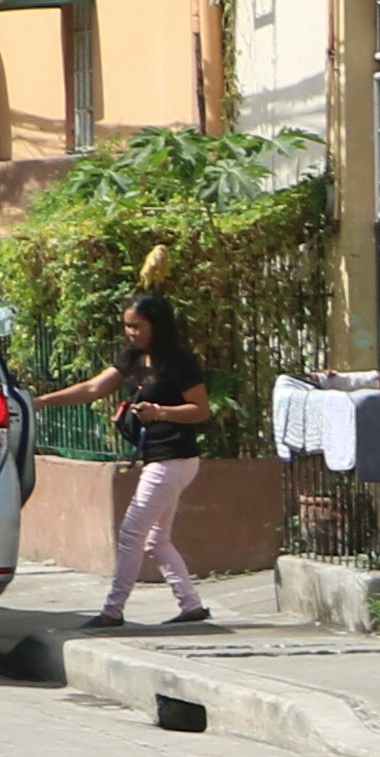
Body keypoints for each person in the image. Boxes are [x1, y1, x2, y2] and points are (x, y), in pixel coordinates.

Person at [39, 259, 222, 629]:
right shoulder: (134, 358)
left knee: (132, 532)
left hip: (174, 458)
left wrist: (160, 412)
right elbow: (93, 388)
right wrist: (40, 401)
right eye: (127, 326)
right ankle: (191, 606)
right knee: (156, 540)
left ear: (157, 325)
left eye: (137, 326)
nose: (130, 332)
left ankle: (112, 610)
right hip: (158, 458)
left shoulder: (179, 361)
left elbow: (200, 410)